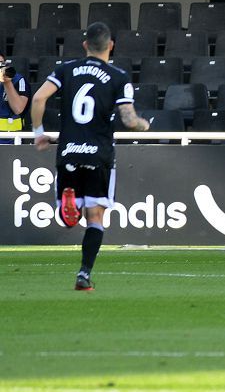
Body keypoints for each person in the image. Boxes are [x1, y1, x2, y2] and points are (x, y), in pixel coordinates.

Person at [30, 22, 150, 291]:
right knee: (95, 218)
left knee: (67, 218)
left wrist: (39, 132)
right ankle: (84, 274)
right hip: (99, 155)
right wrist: (145, 124)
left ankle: (66, 207)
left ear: (85, 45)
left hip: (69, 151)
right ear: (111, 46)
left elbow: (38, 99)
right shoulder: (118, 76)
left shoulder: (66, 69)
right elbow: (129, 119)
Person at [0, 53, 30, 140]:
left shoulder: (17, 80)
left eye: (1, 63)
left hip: (10, 138)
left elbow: (18, 109)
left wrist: (7, 82)